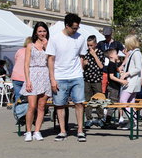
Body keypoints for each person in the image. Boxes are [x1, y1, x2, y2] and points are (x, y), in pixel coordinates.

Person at [46, 13, 88, 142]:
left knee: (79, 103)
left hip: (76, 75)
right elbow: (51, 59)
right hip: (60, 76)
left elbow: (82, 56)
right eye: (74, 28)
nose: (76, 30)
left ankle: (80, 131)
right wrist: (52, 79)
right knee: (59, 105)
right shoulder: (55, 38)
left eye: (77, 28)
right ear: (67, 25)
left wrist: (81, 69)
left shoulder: (81, 38)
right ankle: (62, 131)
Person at [20, 22, 51, 142]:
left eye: (44, 31)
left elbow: (52, 60)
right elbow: (26, 64)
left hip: (45, 74)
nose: (42, 33)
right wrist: (27, 80)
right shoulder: (30, 46)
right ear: (36, 33)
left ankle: (37, 131)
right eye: (40, 31)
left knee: (42, 106)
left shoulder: (49, 45)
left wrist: (47, 46)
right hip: (33, 74)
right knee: (32, 106)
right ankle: (28, 131)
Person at [117, 35, 142, 129]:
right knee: (131, 102)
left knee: (123, 101)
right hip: (132, 81)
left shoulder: (136, 53)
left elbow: (138, 68)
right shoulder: (133, 53)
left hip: (132, 81)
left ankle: (134, 120)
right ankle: (133, 122)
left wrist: (126, 73)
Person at [83, 35, 105, 128]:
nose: (90, 47)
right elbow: (83, 67)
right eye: (88, 45)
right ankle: (89, 119)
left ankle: (101, 118)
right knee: (87, 100)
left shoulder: (100, 53)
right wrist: (84, 64)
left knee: (99, 99)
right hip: (87, 79)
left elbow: (101, 66)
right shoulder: (86, 53)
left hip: (96, 79)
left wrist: (94, 55)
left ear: (95, 44)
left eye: (91, 45)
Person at [104, 48, 127, 125]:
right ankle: (107, 121)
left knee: (115, 103)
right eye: (116, 54)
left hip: (116, 87)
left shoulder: (114, 64)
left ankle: (108, 120)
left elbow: (117, 71)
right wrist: (121, 81)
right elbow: (111, 76)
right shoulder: (111, 64)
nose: (117, 55)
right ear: (111, 56)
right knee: (113, 104)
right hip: (113, 87)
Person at [11, 37, 32, 103]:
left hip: (16, 76)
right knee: (28, 97)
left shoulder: (19, 50)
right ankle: (25, 112)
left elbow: (16, 60)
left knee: (18, 96)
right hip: (26, 77)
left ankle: (17, 112)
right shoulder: (32, 51)